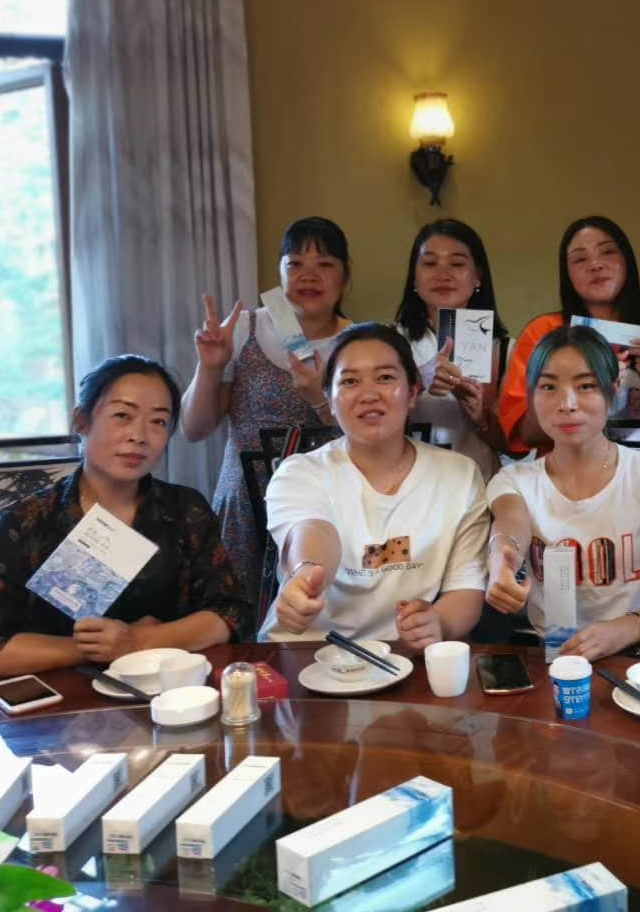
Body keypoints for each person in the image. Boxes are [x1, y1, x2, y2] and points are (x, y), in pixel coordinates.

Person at [0, 355, 250, 677]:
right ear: (82, 422)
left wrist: (138, 641)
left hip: (170, 691)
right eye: (122, 415)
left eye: (158, 421)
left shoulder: (185, 509)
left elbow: (230, 612)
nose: (139, 435)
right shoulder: (29, 521)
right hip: (63, 698)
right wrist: (90, 648)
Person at [259, 323, 489, 652]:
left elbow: (466, 588)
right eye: (350, 381)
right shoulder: (300, 473)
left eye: (385, 377)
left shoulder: (459, 476)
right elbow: (313, 532)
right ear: (329, 399)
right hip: (305, 654)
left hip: (402, 659)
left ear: (413, 392)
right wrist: (306, 576)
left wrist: (439, 622)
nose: (368, 394)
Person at [485, 325, 640, 661]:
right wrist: (502, 555)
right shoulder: (515, 480)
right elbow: (510, 524)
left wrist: (624, 629)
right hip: (554, 659)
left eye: (586, 386)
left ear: (613, 390)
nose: (567, 404)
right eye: (548, 387)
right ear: (531, 396)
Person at [180, 217, 353, 599]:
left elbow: (365, 436)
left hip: (325, 506)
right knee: (238, 612)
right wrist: (210, 366)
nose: (309, 276)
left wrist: (318, 397)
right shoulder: (244, 328)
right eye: (295, 264)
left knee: (315, 608)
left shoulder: (357, 343)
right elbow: (193, 429)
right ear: (280, 271)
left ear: (345, 276)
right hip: (245, 504)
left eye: (325, 264)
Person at [498, 216, 640, 455]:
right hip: (566, 472)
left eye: (607, 252)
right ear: (567, 274)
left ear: (627, 260)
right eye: (580, 259)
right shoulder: (544, 333)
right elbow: (526, 434)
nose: (595, 264)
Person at [393, 219, 510, 479]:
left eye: (457, 264)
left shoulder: (505, 350)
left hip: (478, 486)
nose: (443, 274)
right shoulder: (387, 342)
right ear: (414, 278)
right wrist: (418, 381)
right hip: (403, 484)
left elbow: (515, 446)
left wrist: (481, 417)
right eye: (430, 263)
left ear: (477, 277)